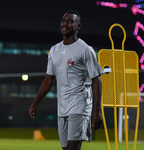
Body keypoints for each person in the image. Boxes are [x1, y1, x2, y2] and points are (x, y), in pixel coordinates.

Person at [29, 10, 104, 150]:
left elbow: (96, 80)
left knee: (72, 147)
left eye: (70, 21)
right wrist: (35, 102)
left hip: (80, 105)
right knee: (66, 148)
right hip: (62, 108)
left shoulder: (85, 49)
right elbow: (48, 79)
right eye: (63, 20)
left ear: (78, 26)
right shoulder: (54, 50)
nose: (65, 24)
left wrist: (96, 111)